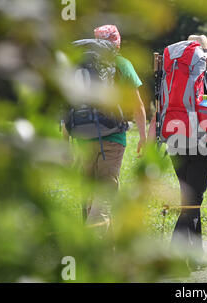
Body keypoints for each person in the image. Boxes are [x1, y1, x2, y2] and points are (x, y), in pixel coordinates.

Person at [148, 34, 207, 270]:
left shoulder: (170, 79)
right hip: (201, 145)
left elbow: (157, 114)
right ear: (205, 58)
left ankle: (196, 257)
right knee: (193, 202)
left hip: (175, 142)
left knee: (189, 199)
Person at [64, 25, 147, 237]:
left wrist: (66, 141)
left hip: (81, 137)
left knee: (89, 195)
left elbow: (69, 104)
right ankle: (94, 247)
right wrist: (143, 138)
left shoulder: (80, 65)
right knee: (105, 197)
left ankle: (100, 252)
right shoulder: (122, 64)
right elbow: (137, 105)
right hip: (113, 138)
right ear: (117, 43)